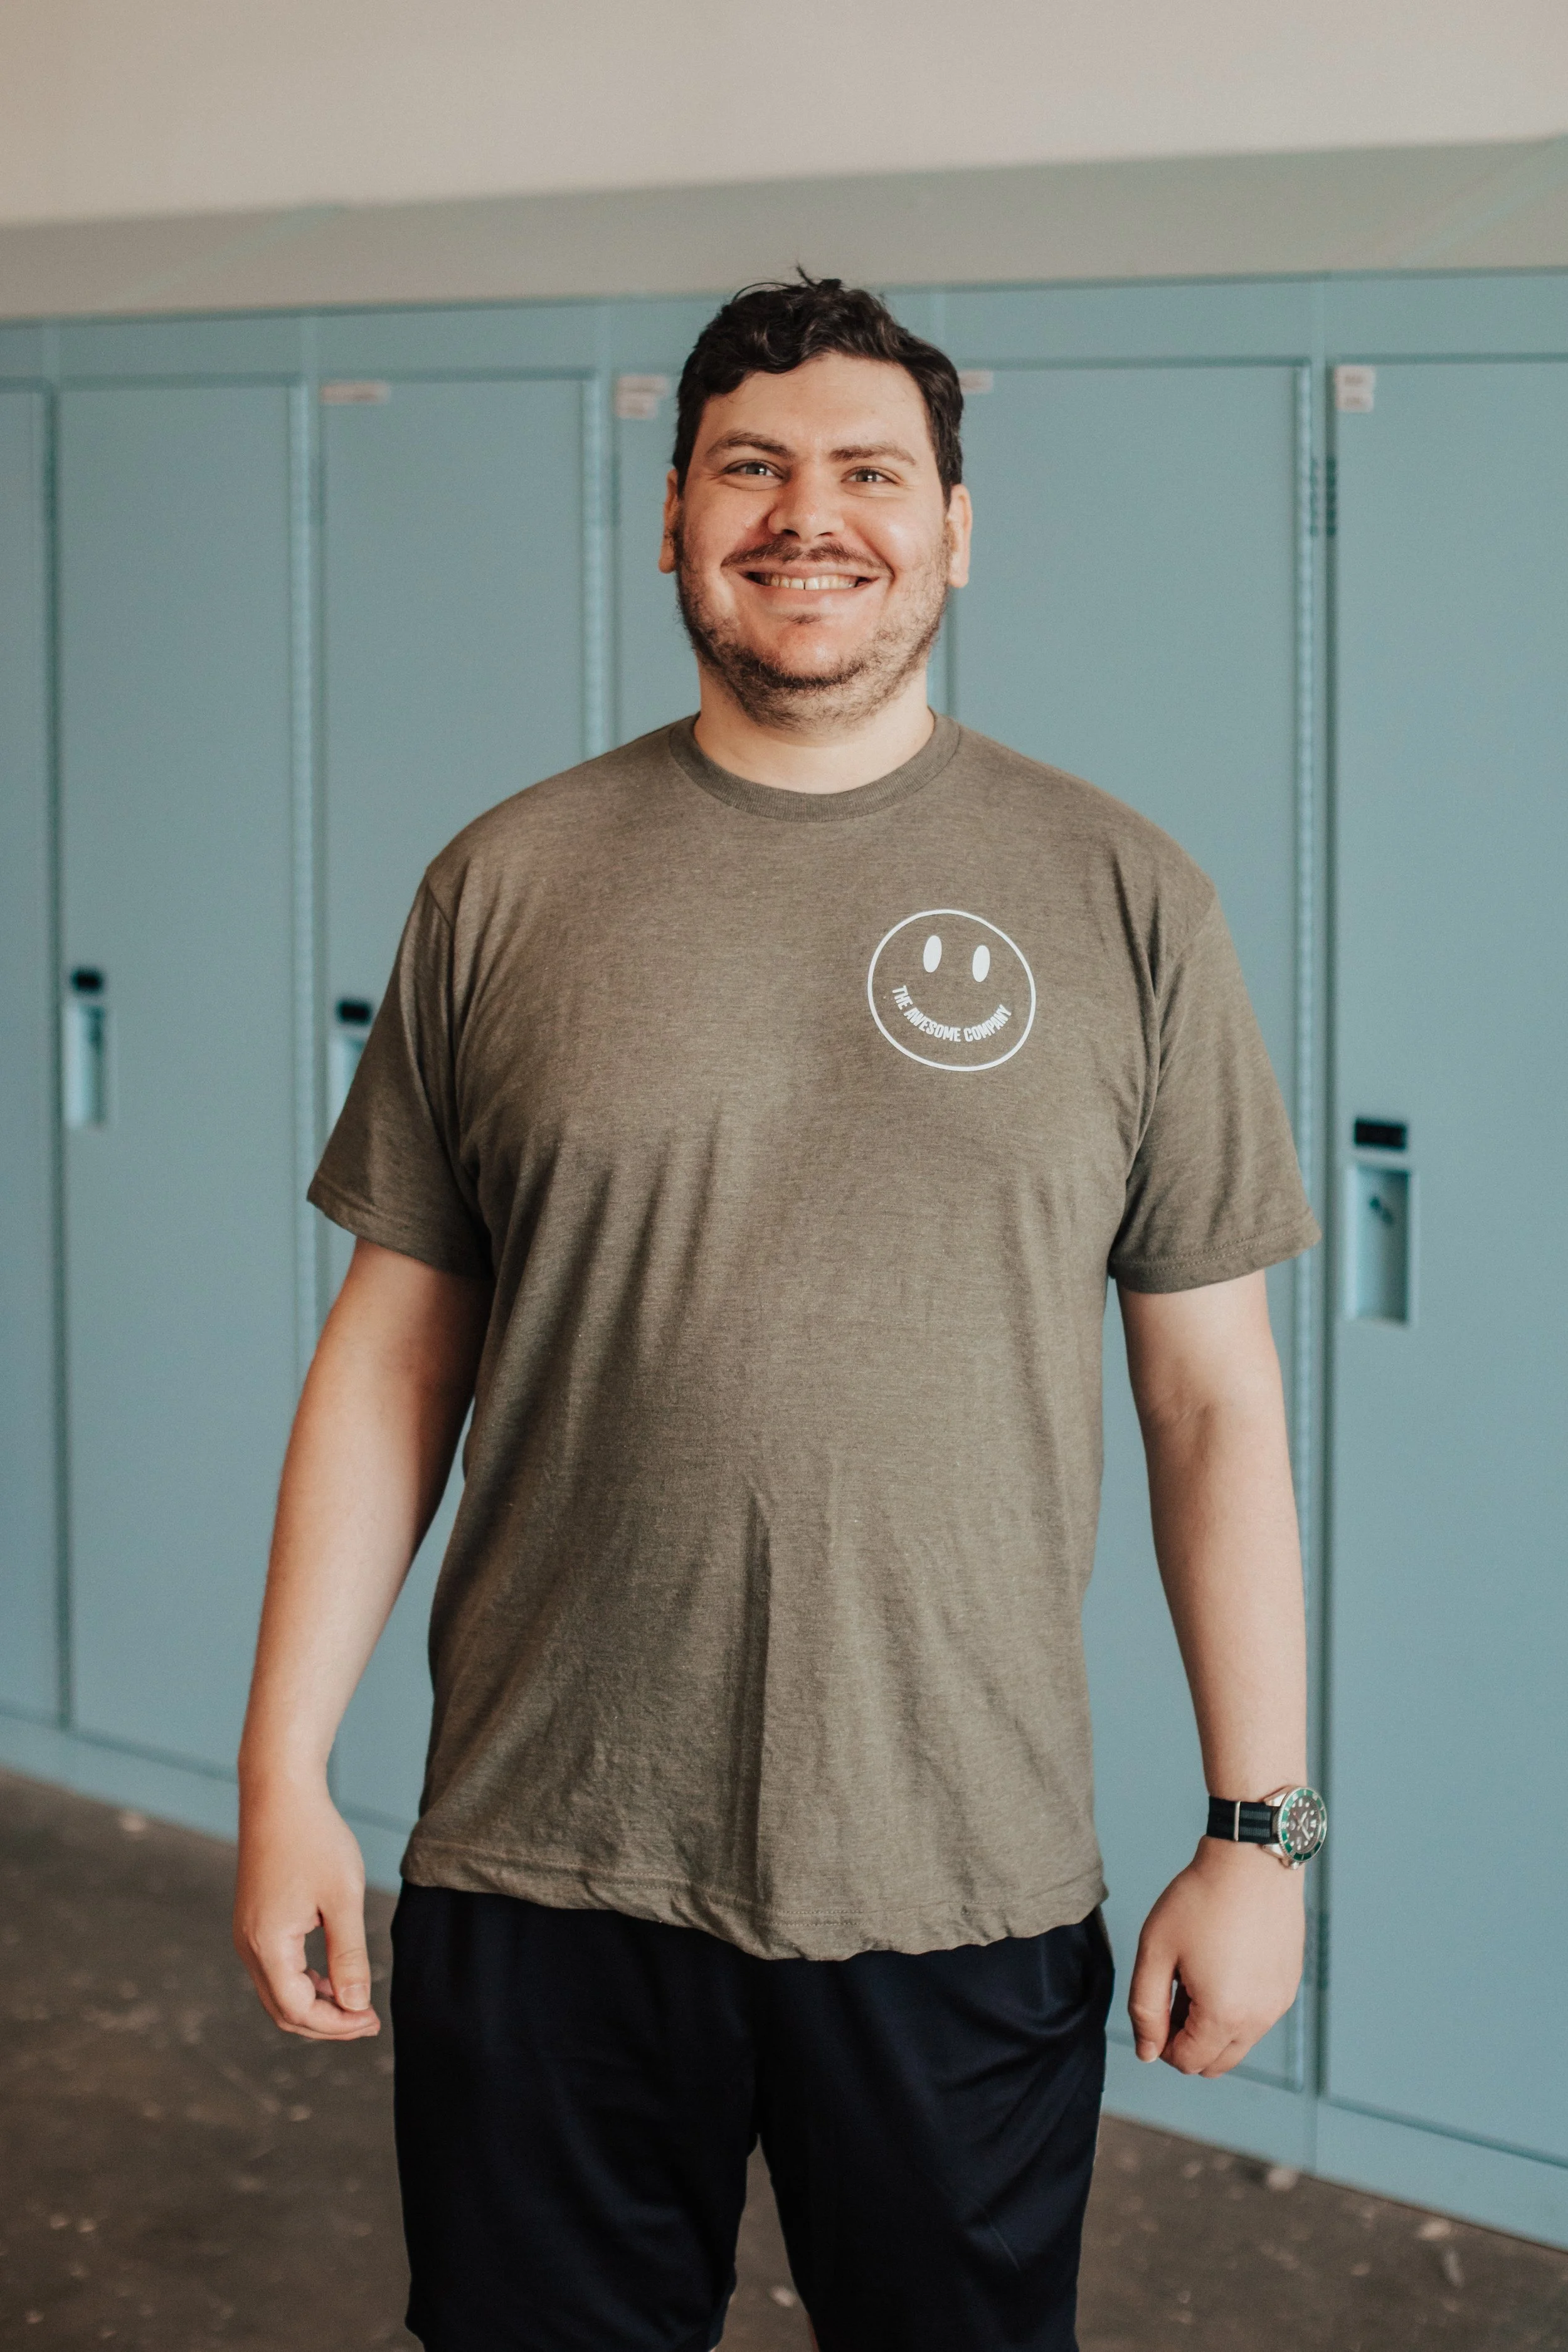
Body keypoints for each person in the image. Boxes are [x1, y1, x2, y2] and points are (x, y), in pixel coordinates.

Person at [234, 274, 1322, 2352]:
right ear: (670, 518)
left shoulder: (1123, 896)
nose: (807, 515)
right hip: (541, 1862)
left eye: (868, 473)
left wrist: (1257, 1831)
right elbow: (391, 1354)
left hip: (956, 1871)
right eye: (750, 466)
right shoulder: (507, 883)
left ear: (953, 528)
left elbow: (1212, 1403)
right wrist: (283, 1767)